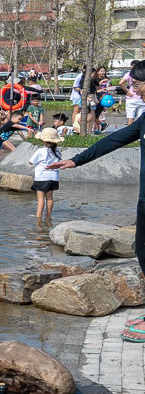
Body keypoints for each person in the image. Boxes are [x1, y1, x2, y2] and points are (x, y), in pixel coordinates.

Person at [50, 63, 145, 276]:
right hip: (144, 198)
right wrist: (77, 160)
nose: (134, 90)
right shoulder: (144, 120)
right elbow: (113, 141)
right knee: (142, 250)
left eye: (137, 85)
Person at [30, 127, 64, 221]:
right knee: (49, 197)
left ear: (43, 140)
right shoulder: (58, 151)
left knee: (40, 198)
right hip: (53, 177)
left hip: (42, 177)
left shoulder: (40, 151)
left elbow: (31, 162)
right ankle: (48, 215)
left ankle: (38, 216)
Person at [125, 61, 144, 125]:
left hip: (132, 99)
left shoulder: (129, 74)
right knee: (140, 119)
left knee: (131, 118)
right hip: (135, 100)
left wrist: (126, 91)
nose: (135, 90)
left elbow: (121, 82)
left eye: (136, 85)